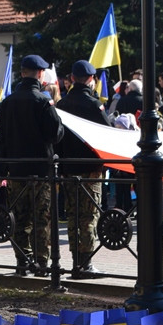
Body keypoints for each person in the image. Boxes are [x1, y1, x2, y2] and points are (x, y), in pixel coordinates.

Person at [0, 54, 64, 275]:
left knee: (19, 218)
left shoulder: (6, 103)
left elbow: (2, 139)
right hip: (40, 171)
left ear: (22, 73)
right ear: (41, 74)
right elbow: (55, 134)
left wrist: (3, 169)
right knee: (41, 218)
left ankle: (22, 261)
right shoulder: (43, 101)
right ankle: (43, 264)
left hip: (15, 171)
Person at [55, 59, 110, 278]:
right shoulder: (94, 105)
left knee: (73, 215)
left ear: (72, 79)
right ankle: (86, 264)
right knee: (89, 216)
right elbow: (107, 134)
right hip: (90, 169)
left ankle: (75, 260)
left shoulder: (62, 104)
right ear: (90, 79)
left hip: (68, 168)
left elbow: (58, 137)